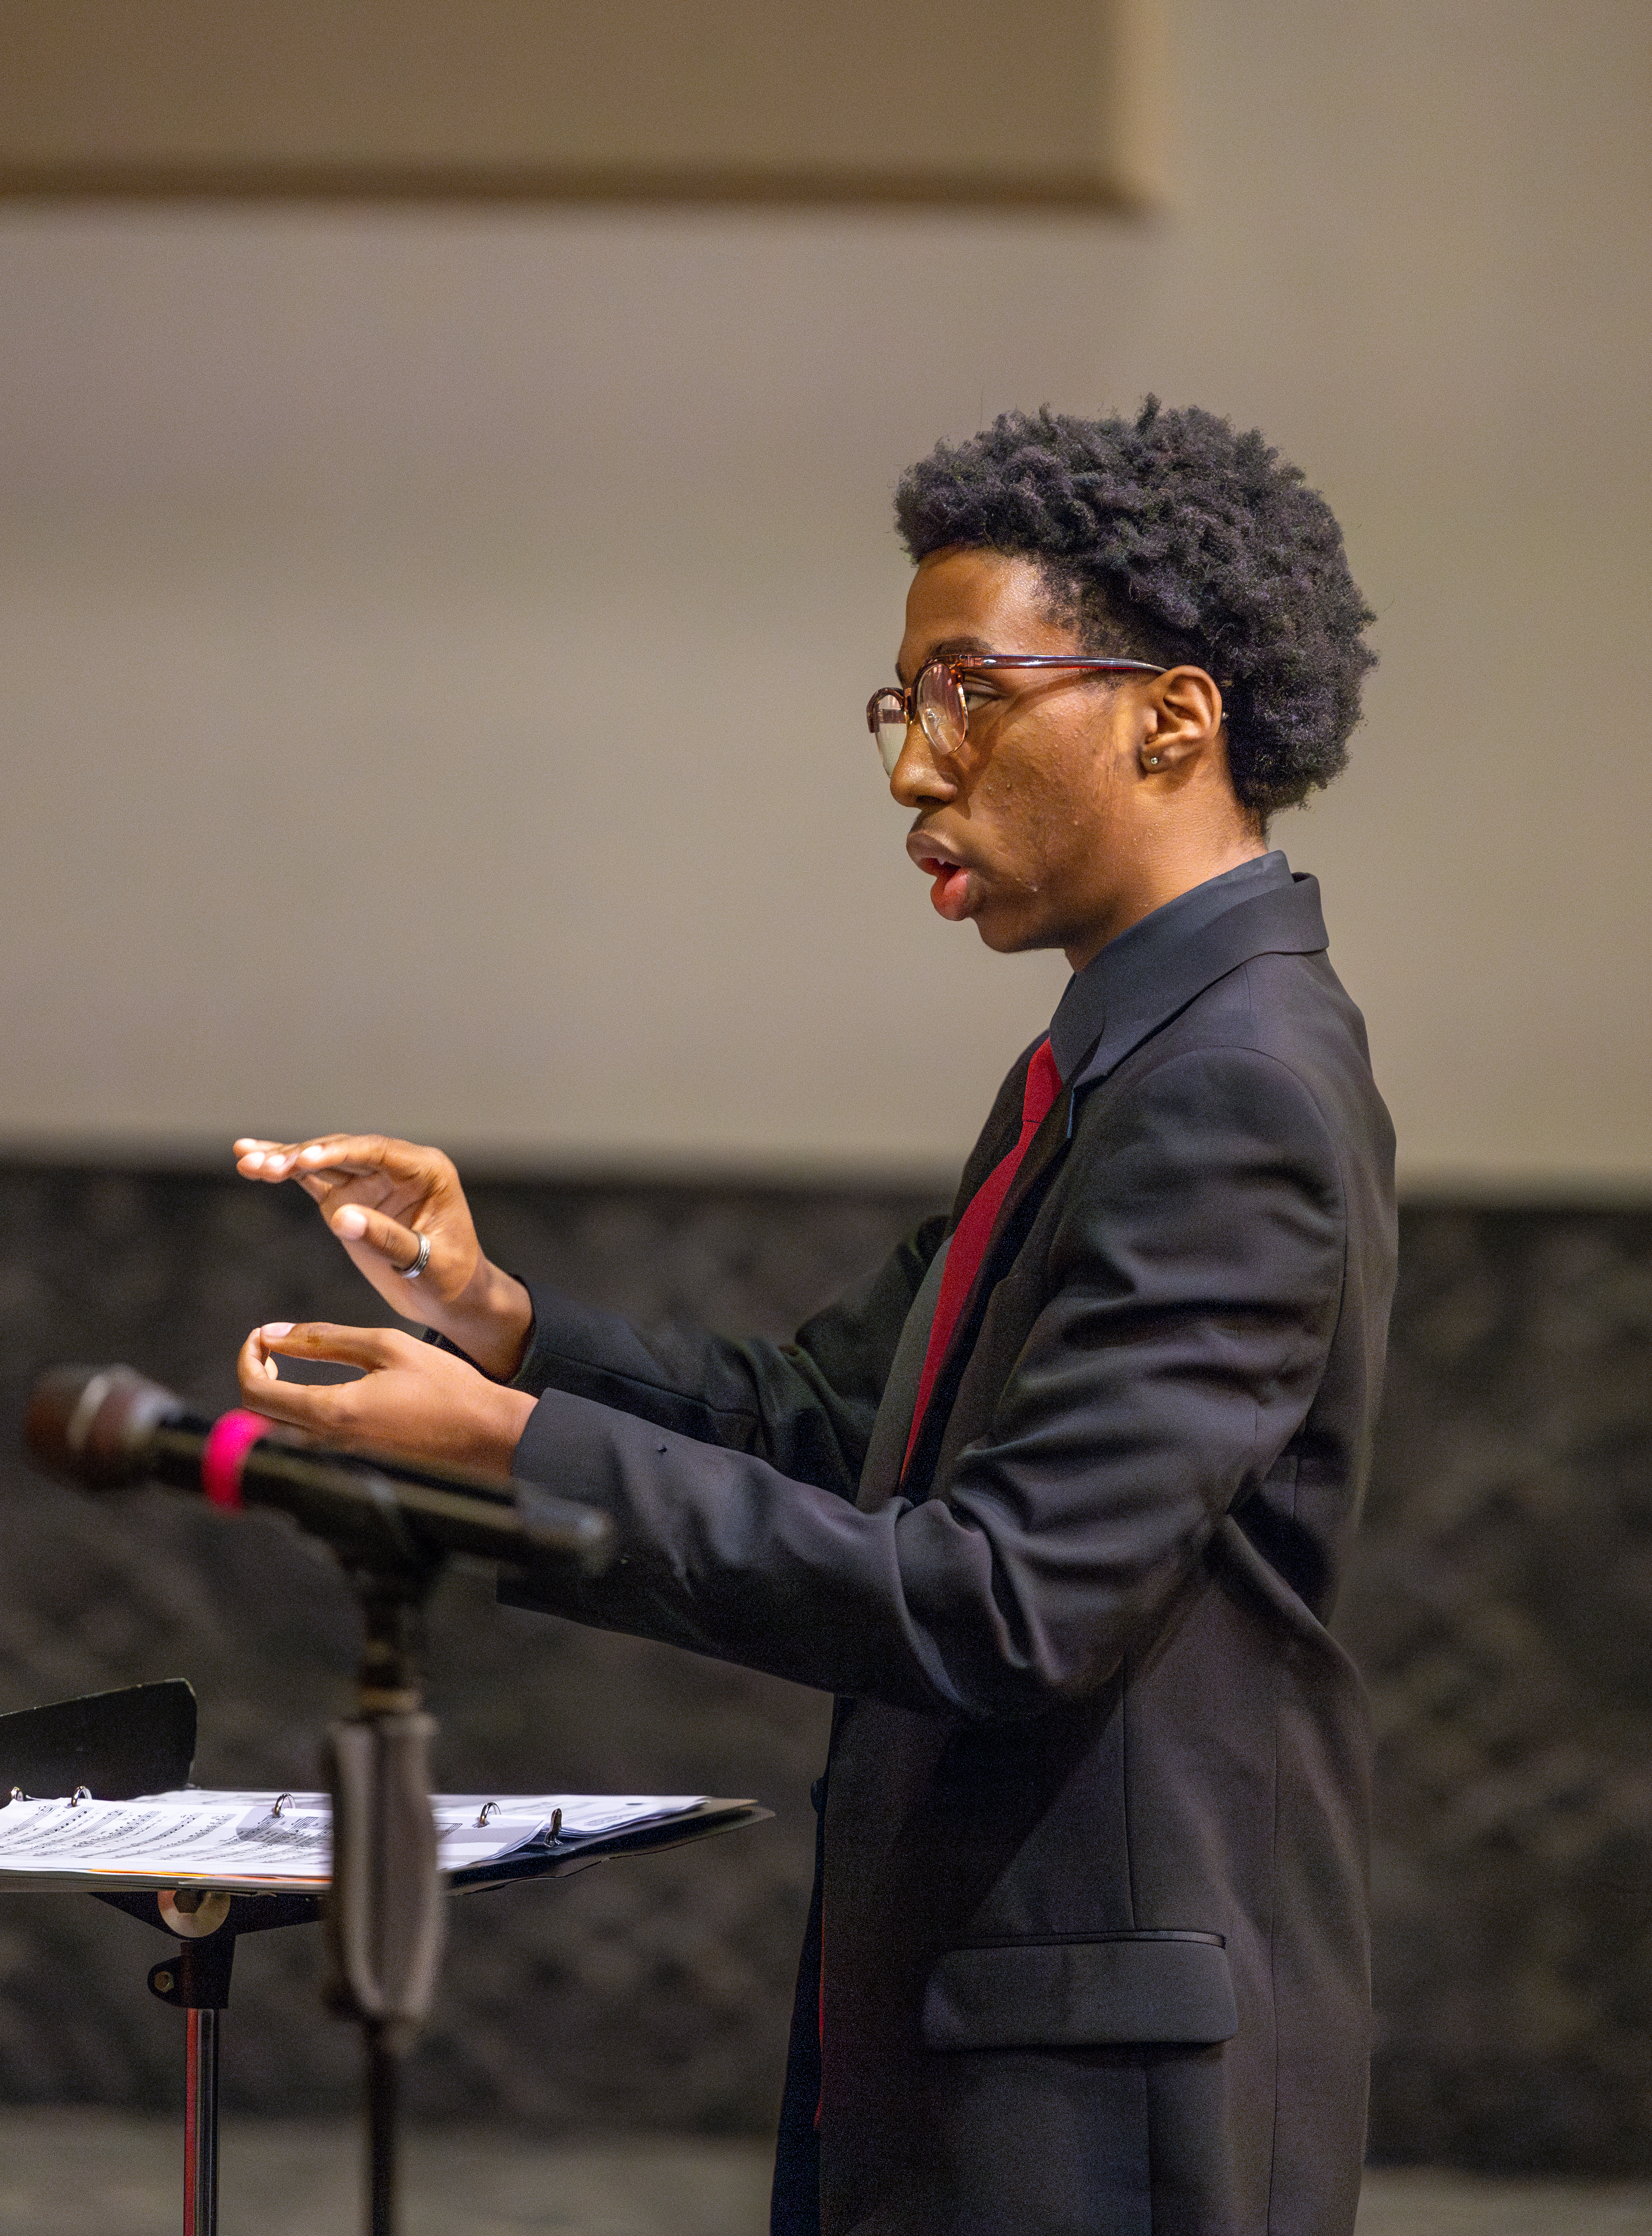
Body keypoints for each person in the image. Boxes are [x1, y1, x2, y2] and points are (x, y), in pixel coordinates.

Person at [233, 400, 1395, 2236]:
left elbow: (1008, 1603)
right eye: (898, 707)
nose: (911, 769)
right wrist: (501, 1324)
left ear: (1169, 715)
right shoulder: (1118, 1055)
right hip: (992, 2033)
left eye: (969, 694)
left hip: (1092, 2099)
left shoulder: (1228, 1084)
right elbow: (824, 1419)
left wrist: (513, 1455)